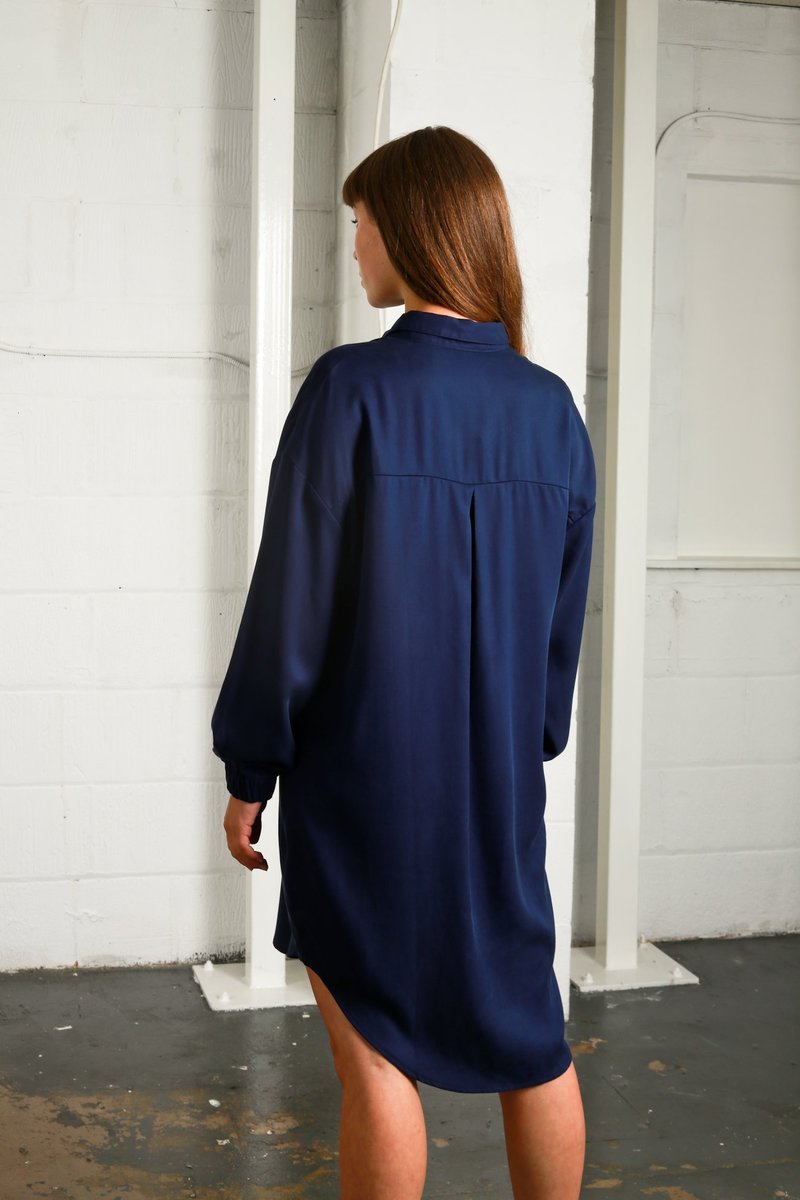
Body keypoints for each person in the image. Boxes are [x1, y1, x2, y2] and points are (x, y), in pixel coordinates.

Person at [211, 125, 596, 1200]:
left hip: (361, 787)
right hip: (495, 796)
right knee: (533, 1039)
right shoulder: (551, 412)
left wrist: (250, 768)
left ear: (412, 230)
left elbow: (288, 608)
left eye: (361, 222)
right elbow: (559, 630)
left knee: (374, 1055)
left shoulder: (351, 391)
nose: (354, 245)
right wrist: (521, 742)